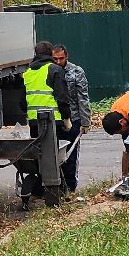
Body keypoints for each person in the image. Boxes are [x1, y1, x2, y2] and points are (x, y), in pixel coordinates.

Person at [19, 40, 75, 201]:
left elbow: (22, 103)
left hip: (34, 123)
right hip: (53, 122)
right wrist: (66, 118)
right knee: (53, 157)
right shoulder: (55, 70)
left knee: (38, 155)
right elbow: (62, 98)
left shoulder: (27, 73)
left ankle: (38, 188)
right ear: (51, 53)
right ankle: (55, 190)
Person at [50, 44, 89, 192]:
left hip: (73, 119)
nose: (58, 62)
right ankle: (56, 187)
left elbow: (83, 97)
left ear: (67, 56)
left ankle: (70, 187)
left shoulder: (76, 71)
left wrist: (85, 122)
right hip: (55, 119)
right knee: (54, 156)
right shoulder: (49, 71)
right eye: (55, 59)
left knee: (70, 156)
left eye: (61, 58)